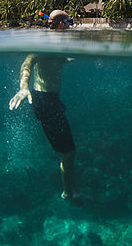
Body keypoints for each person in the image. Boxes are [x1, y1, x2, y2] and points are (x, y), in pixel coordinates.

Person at [9, 10, 81, 202]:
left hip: (50, 101)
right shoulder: (43, 43)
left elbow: (54, 62)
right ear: (59, 24)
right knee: (68, 151)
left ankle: (69, 190)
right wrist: (24, 88)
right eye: (69, 22)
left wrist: (66, 59)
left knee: (68, 151)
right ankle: (68, 193)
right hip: (44, 100)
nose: (71, 25)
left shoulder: (57, 44)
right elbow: (27, 64)